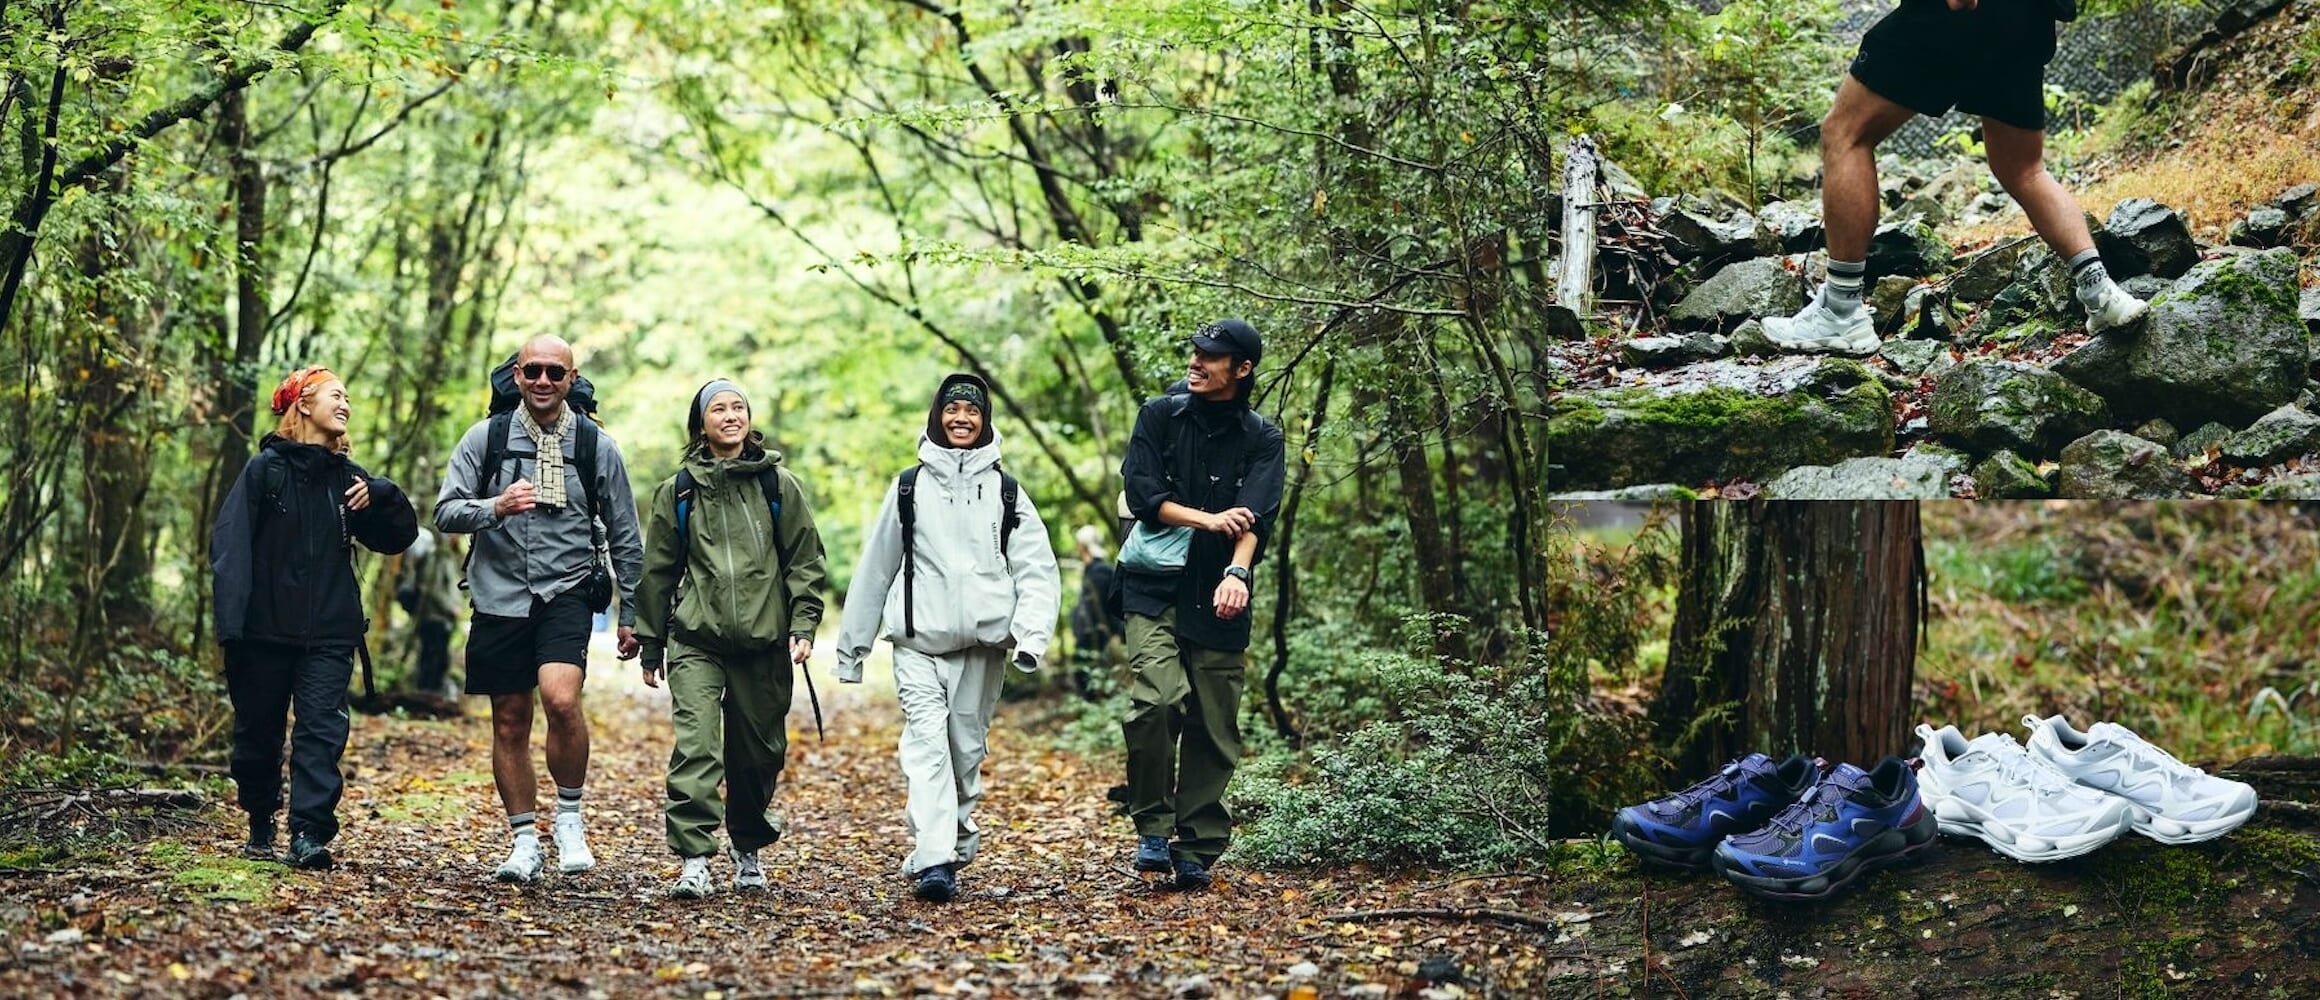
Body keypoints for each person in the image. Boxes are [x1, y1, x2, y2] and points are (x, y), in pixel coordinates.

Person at [1763, 0, 2147, 355]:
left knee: (1845, 133)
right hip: (2027, 17)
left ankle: (1841, 310)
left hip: (1957, 12)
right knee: (2024, 169)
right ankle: (2101, 291)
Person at [834, 372, 1061, 903]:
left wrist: (1030, 636)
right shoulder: (909, 486)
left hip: (983, 649)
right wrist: (853, 649)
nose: (961, 419)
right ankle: (935, 858)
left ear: (984, 422)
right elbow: (876, 567)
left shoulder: (1006, 491)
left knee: (964, 753)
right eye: (952, 410)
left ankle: (952, 844)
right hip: (918, 643)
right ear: (937, 416)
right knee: (928, 747)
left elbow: (1036, 569)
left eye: (972, 412)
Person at [435, 335, 645, 884]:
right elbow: (446, 512)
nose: (544, 381)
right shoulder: (488, 438)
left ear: (572, 379)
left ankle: (570, 817)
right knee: (508, 719)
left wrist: (632, 614)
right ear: (518, 376)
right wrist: (495, 506)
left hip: (566, 590)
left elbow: (626, 533)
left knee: (561, 699)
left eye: (556, 372)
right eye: (533, 371)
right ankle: (524, 840)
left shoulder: (596, 446)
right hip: (498, 592)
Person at [211, 366, 419, 869]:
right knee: (258, 734)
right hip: (262, 631)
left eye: (348, 397)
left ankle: (308, 833)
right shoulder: (264, 470)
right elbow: (230, 546)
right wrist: (232, 626)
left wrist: (382, 493)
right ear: (302, 404)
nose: (345, 404)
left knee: (321, 733)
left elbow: (397, 537)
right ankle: (261, 822)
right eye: (335, 395)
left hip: (330, 631)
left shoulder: (351, 479)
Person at [634, 379, 828, 899]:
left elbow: (805, 560)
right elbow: (657, 572)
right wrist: (651, 643)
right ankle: (695, 857)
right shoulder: (677, 492)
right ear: (701, 425)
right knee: (697, 747)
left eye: (738, 406)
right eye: (717, 409)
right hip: (696, 639)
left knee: (757, 755)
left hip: (765, 643)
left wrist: (804, 623)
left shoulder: (778, 486)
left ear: (749, 418)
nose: (730, 415)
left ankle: (747, 843)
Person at [1117, 319, 1285, 891]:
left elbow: (1257, 514)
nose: (1197, 362)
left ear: (1241, 370)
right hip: (1153, 587)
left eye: (1211, 357)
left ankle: (1199, 845)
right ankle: (1152, 827)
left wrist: (1238, 570)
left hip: (1220, 591)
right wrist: (1206, 518)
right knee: (1158, 702)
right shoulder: (1159, 415)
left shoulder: (1263, 436)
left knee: (1214, 725)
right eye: (1196, 352)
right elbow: (1143, 495)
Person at [403, 526, 464, 699]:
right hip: (435, 617)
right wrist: (451, 608)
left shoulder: (446, 556)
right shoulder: (437, 557)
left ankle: (431, 698)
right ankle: (427, 697)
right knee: (433, 659)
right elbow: (433, 589)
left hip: (440, 617)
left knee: (438, 658)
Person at [1068, 525, 1127, 696]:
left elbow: (1104, 608)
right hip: (1089, 638)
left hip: (1098, 640)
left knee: (1091, 682)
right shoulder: (1091, 570)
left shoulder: (1100, 572)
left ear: (1084, 546)